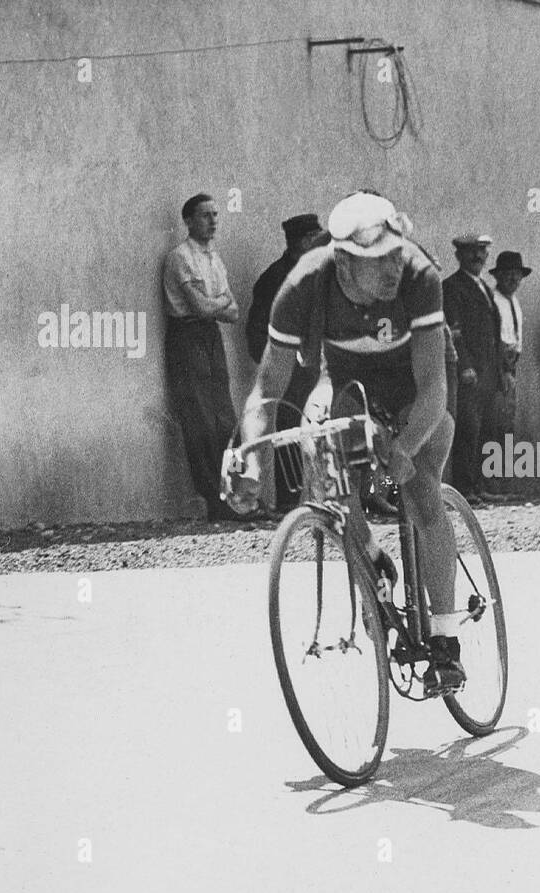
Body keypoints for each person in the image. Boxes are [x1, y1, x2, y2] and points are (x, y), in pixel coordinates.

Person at [224, 191, 466, 695]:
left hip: (415, 390)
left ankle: (445, 641)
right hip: (346, 383)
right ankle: (373, 553)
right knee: (324, 467)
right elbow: (266, 390)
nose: (392, 269)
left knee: (421, 489)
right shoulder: (303, 285)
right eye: (376, 262)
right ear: (341, 262)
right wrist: (250, 458)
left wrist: (404, 445)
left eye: (394, 254)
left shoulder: (419, 276)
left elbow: (434, 392)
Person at [162, 193, 243, 521]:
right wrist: (219, 303)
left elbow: (234, 312)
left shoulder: (214, 259)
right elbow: (202, 307)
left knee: (225, 417)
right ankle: (214, 499)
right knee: (201, 421)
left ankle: (237, 494)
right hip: (187, 337)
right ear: (188, 221)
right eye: (205, 215)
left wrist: (218, 305)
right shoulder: (181, 257)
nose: (213, 221)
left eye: (215, 215)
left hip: (211, 337)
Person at [245, 214, 330, 510]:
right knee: (289, 438)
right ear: (305, 241)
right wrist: (278, 364)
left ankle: (321, 501)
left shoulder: (322, 271)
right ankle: (289, 505)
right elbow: (256, 331)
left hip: (317, 371)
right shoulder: (277, 278)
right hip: (290, 375)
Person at [444, 233, 503, 504]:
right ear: (459, 256)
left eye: (482, 251)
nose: (478, 256)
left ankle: (479, 486)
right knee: (467, 430)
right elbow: (454, 332)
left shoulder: (485, 288)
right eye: (471, 252)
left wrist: (500, 373)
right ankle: (465, 489)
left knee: (485, 430)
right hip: (469, 374)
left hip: (488, 372)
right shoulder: (453, 288)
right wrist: (465, 366)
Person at [489, 250, 532, 441]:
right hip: (498, 368)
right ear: (498, 275)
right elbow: (492, 340)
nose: (513, 279)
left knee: (508, 419)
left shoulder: (513, 301)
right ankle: (496, 468)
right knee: (498, 422)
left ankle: (504, 467)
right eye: (508, 274)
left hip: (511, 366)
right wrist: (503, 370)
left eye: (517, 274)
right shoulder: (492, 301)